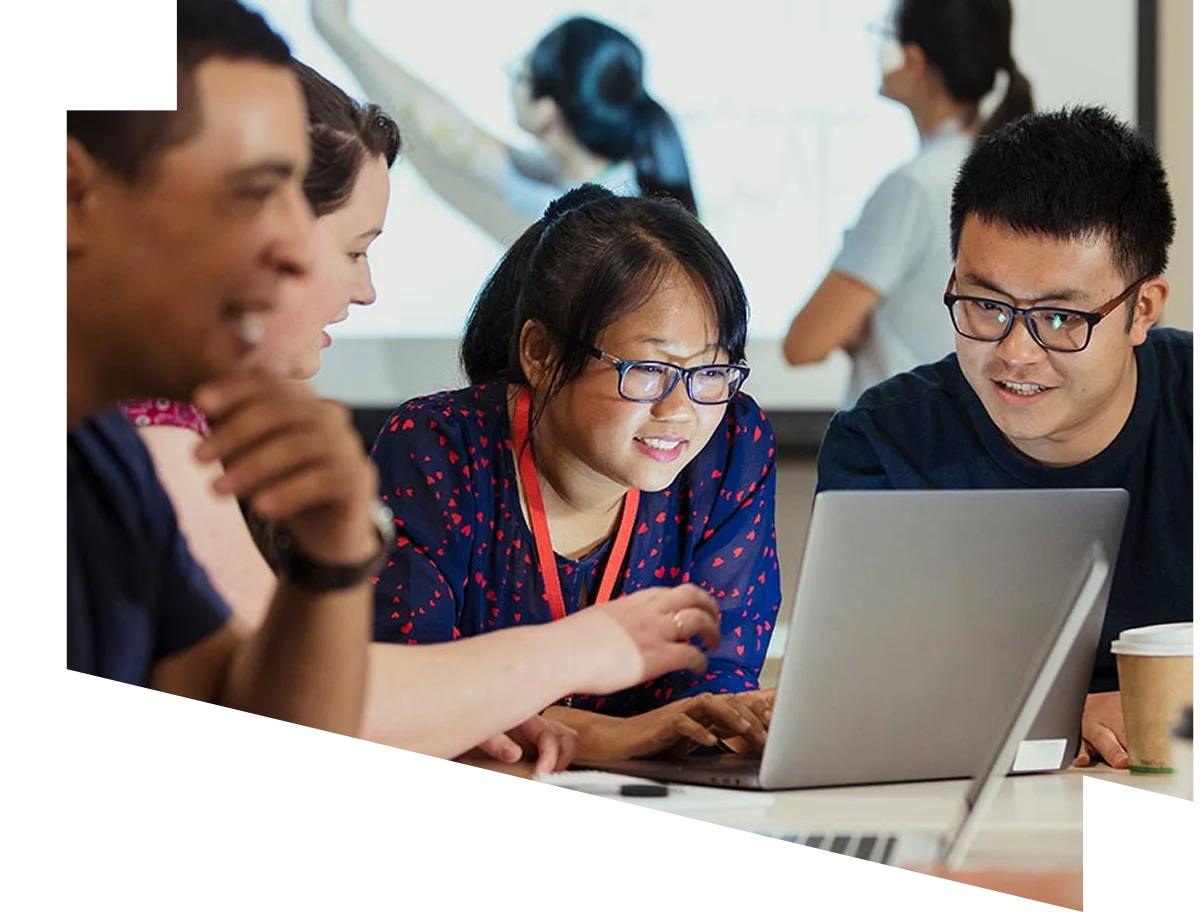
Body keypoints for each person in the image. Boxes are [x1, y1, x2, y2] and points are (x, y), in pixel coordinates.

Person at [113, 58, 726, 773]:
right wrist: (587, 648)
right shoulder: (150, 437)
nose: (365, 290)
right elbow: (306, 706)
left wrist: (467, 710)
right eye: (353, 251)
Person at [814, 105, 1196, 772]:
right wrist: (1060, 719)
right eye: (985, 305)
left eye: (1059, 316)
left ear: (1142, 309)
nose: (1015, 352)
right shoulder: (885, 443)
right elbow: (860, 697)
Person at [370, 184, 781, 761]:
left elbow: (713, 680)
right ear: (539, 353)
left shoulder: (731, 445)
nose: (682, 410)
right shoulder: (437, 449)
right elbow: (403, 689)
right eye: (648, 370)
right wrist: (602, 735)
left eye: (711, 372)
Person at [65, 0, 385, 737]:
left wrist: (330, 559)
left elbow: (236, 695)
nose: (297, 252)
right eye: (253, 193)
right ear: (74, 196)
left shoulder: (106, 460)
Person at [783, 0, 1033, 409]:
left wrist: (857, 321)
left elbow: (804, 343)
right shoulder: (1000, 167)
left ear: (914, 59)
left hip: (898, 444)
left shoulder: (915, 186)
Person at [310, 0, 696, 246]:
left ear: (549, 110)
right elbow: (453, 134)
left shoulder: (580, 215)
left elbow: (448, 134)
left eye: (521, 75)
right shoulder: (614, 182)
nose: (512, 85)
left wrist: (337, 29)